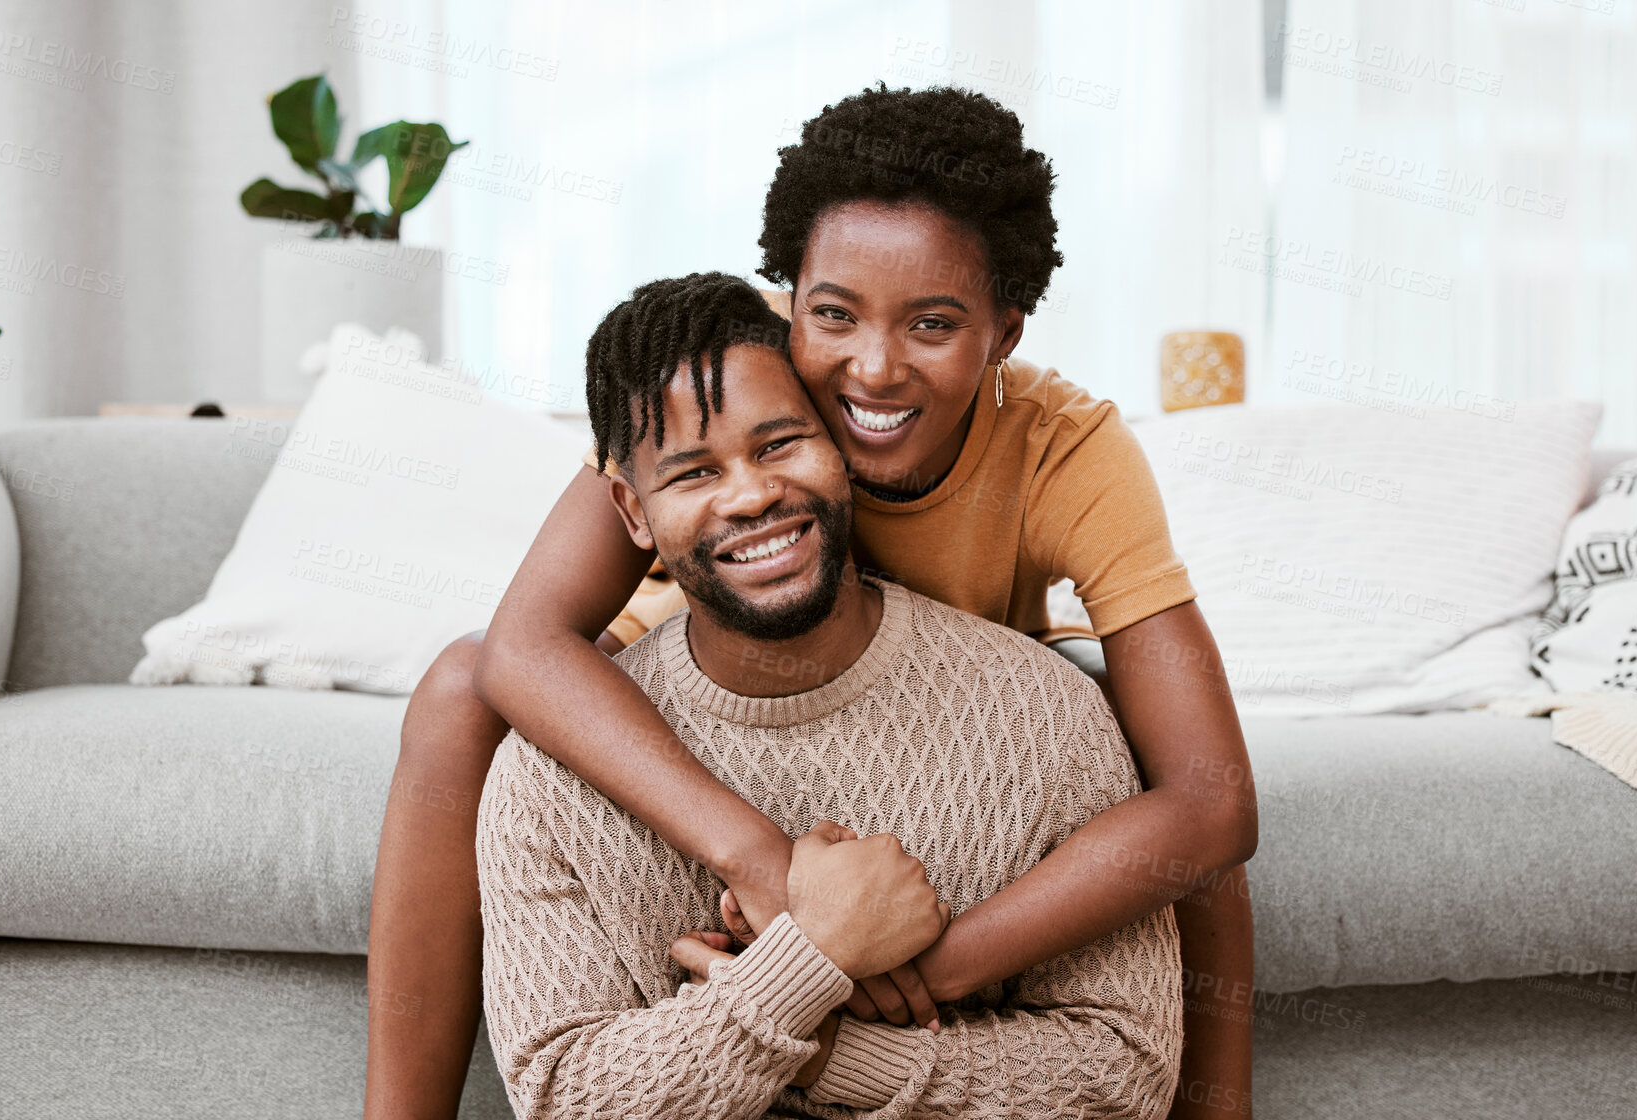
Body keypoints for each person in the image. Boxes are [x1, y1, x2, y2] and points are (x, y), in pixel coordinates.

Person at [366, 86, 1256, 1120]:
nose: (870, 367)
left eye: (932, 324)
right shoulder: (746, 361)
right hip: (718, 645)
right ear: (793, 296)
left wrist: (927, 970)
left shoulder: (1069, 449)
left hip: (949, 691)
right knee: (458, 688)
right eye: (832, 314)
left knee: (1158, 765)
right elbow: (524, 641)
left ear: (1003, 333)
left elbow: (1213, 804)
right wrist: (765, 861)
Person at [477, 274, 1183, 1118]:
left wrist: (819, 1044)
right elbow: (567, 1099)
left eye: (779, 445)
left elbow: (1121, 1077)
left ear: (841, 444)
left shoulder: (1045, 718)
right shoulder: (548, 772)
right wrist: (814, 955)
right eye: (695, 471)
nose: (750, 494)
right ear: (631, 510)